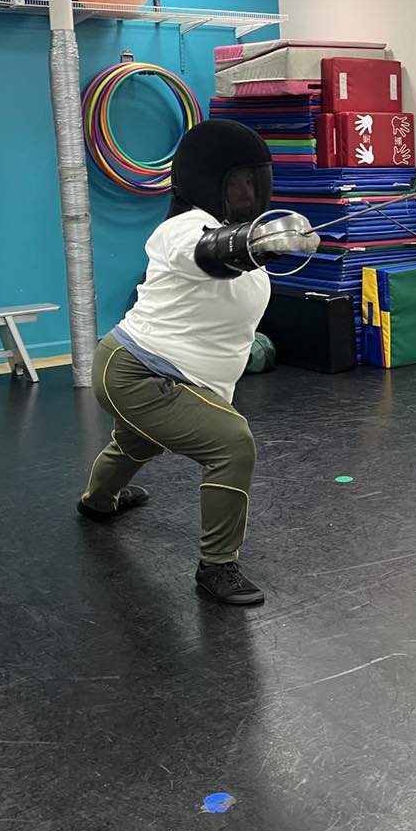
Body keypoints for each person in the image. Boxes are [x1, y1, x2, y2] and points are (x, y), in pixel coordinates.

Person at [76, 119, 318, 605]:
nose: (249, 192)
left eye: (255, 180)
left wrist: (261, 244)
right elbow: (208, 252)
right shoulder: (180, 229)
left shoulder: (242, 245)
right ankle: (217, 566)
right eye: (237, 182)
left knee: (137, 443)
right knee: (232, 444)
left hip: (171, 378)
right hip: (135, 369)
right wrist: (256, 243)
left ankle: (98, 502)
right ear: (210, 181)